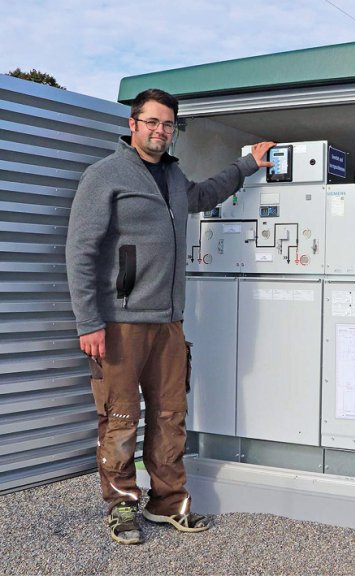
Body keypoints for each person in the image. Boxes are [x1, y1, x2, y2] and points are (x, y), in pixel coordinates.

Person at [65, 88, 275, 545]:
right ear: (133, 125)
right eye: (153, 122)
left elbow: (204, 195)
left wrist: (246, 165)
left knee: (169, 415)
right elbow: (80, 252)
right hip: (119, 324)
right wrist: (89, 323)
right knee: (119, 418)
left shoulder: (176, 179)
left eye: (168, 125)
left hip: (169, 323)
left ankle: (167, 503)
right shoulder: (104, 176)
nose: (161, 131)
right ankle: (122, 506)